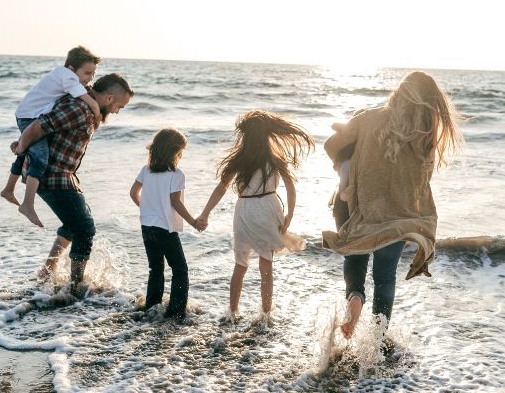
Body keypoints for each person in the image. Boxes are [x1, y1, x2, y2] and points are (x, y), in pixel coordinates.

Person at [321, 72, 462, 338]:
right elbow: (421, 181)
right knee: (385, 278)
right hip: (397, 218)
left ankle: (355, 297)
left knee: (355, 257)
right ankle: (378, 340)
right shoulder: (424, 137)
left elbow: (332, 144)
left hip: (358, 209)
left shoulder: (367, 118)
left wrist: (347, 164)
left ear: (398, 93)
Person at [10, 73, 133, 295]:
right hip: (51, 176)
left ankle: (47, 271)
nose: (117, 111)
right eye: (119, 106)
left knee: (73, 222)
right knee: (84, 228)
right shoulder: (79, 109)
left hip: (63, 175)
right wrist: (21, 147)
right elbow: (38, 126)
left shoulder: (87, 108)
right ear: (108, 98)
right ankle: (76, 285)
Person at [197, 110, 311, 322]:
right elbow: (290, 188)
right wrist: (290, 215)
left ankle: (232, 312)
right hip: (268, 207)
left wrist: (204, 214)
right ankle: (266, 315)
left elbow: (221, 189)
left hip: (245, 211)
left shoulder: (239, 160)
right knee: (266, 266)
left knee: (240, 266)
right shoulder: (276, 160)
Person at [0, 46, 104, 228]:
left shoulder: (63, 75)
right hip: (30, 117)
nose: (90, 79)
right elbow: (84, 97)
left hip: (28, 114)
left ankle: (8, 189)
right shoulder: (68, 77)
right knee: (40, 159)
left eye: (93, 74)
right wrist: (95, 108)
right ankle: (28, 204)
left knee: (25, 152)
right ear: (72, 68)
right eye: (87, 73)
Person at [128, 128, 205, 319]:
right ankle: (177, 311)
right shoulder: (176, 174)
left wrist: (146, 209)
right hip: (165, 229)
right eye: (181, 151)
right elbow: (175, 202)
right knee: (180, 269)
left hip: (147, 225)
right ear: (174, 151)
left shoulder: (146, 170)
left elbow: (133, 193)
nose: (181, 155)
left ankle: (152, 307)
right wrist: (194, 222)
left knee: (156, 268)